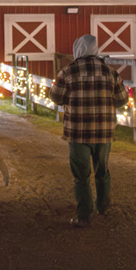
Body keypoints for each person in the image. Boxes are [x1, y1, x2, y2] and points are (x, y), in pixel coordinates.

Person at [49, 34, 129, 227]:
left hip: (77, 131)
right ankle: (103, 206)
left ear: (78, 50)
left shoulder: (67, 72)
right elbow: (122, 100)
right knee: (102, 171)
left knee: (81, 176)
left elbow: (56, 97)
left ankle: (85, 214)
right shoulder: (110, 72)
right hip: (104, 131)